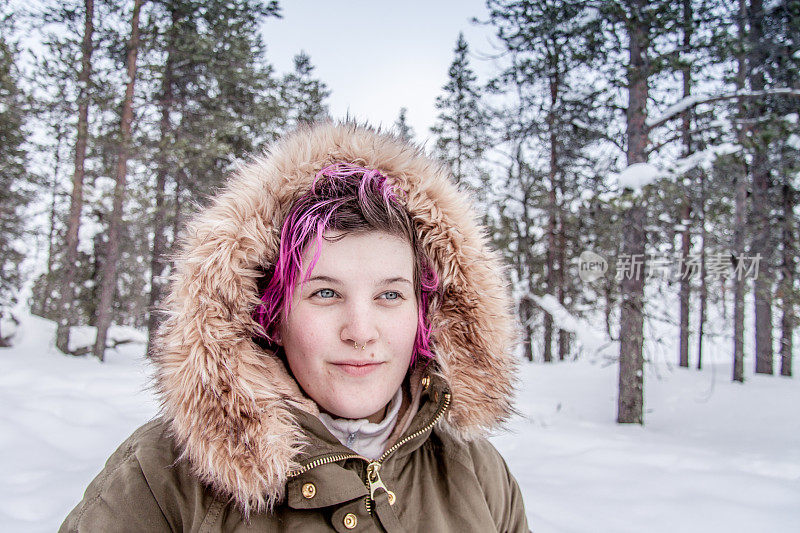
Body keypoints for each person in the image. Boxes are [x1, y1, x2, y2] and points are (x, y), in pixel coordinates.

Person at [61, 122, 528, 532]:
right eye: (325, 293)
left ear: (424, 314)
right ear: (273, 318)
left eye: (390, 295)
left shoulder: (479, 474)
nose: (361, 332)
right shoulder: (165, 476)